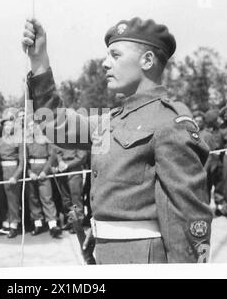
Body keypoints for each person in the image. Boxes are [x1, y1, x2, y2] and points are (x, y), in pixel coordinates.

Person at [22, 17, 212, 263]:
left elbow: (189, 217)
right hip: (107, 254)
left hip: (144, 261)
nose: (104, 63)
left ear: (147, 61)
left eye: (115, 55)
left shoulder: (170, 122)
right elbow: (56, 124)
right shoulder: (111, 120)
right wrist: (39, 60)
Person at [25, 120, 62, 238]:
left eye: (33, 126)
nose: (32, 128)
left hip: (43, 172)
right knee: (33, 198)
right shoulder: (26, 141)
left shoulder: (45, 139)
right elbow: (24, 160)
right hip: (32, 173)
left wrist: (44, 171)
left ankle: (52, 224)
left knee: (47, 197)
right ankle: (38, 223)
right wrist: (29, 173)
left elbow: (52, 157)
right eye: (29, 127)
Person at [0, 118, 24, 238]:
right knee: (3, 199)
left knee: (13, 200)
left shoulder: (18, 141)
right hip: (1, 171)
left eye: (10, 126)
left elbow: (22, 162)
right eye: (6, 126)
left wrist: (16, 176)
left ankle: (14, 224)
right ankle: (7, 221)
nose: (8, 128)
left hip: (12, 171)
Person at [52, 146, 87, 233]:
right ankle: (71, 220)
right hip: (62, 169)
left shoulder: (79, 138)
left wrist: (67, 165)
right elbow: (58, 151)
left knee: (75, 198)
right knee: (66, 199)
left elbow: (82, 157)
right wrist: (60, 162)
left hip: (74, 170)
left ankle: (78, 222)